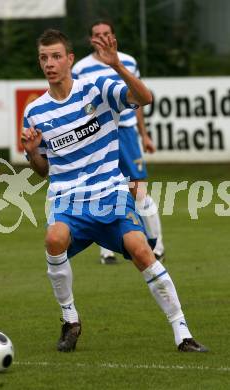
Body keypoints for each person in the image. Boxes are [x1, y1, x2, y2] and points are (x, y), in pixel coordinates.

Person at [21, 28, 207, 353]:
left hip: (110, 196)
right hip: (69, 201)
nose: (49, 63)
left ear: (69, 59)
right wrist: (33, 152)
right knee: (53, 240)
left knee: (141, 251)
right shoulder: (35, 111)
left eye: (55, 56)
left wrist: (118, 67)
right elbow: (43, 170)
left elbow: (145, 99)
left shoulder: (98, 88)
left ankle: (183, 332)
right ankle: (70, 320)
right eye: (43, 58)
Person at [72, 20, 164, 265]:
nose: (101, 37)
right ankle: (107, 250)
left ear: (113, 37)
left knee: (138, 191)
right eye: (96, 34)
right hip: (98, 137)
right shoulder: (81, 68)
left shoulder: (128, 61)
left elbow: (138, 100)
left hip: (125, 133)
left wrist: (143, 135)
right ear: (91, 39)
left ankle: (157, 244)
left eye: (106, 33)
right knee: (102, 191)